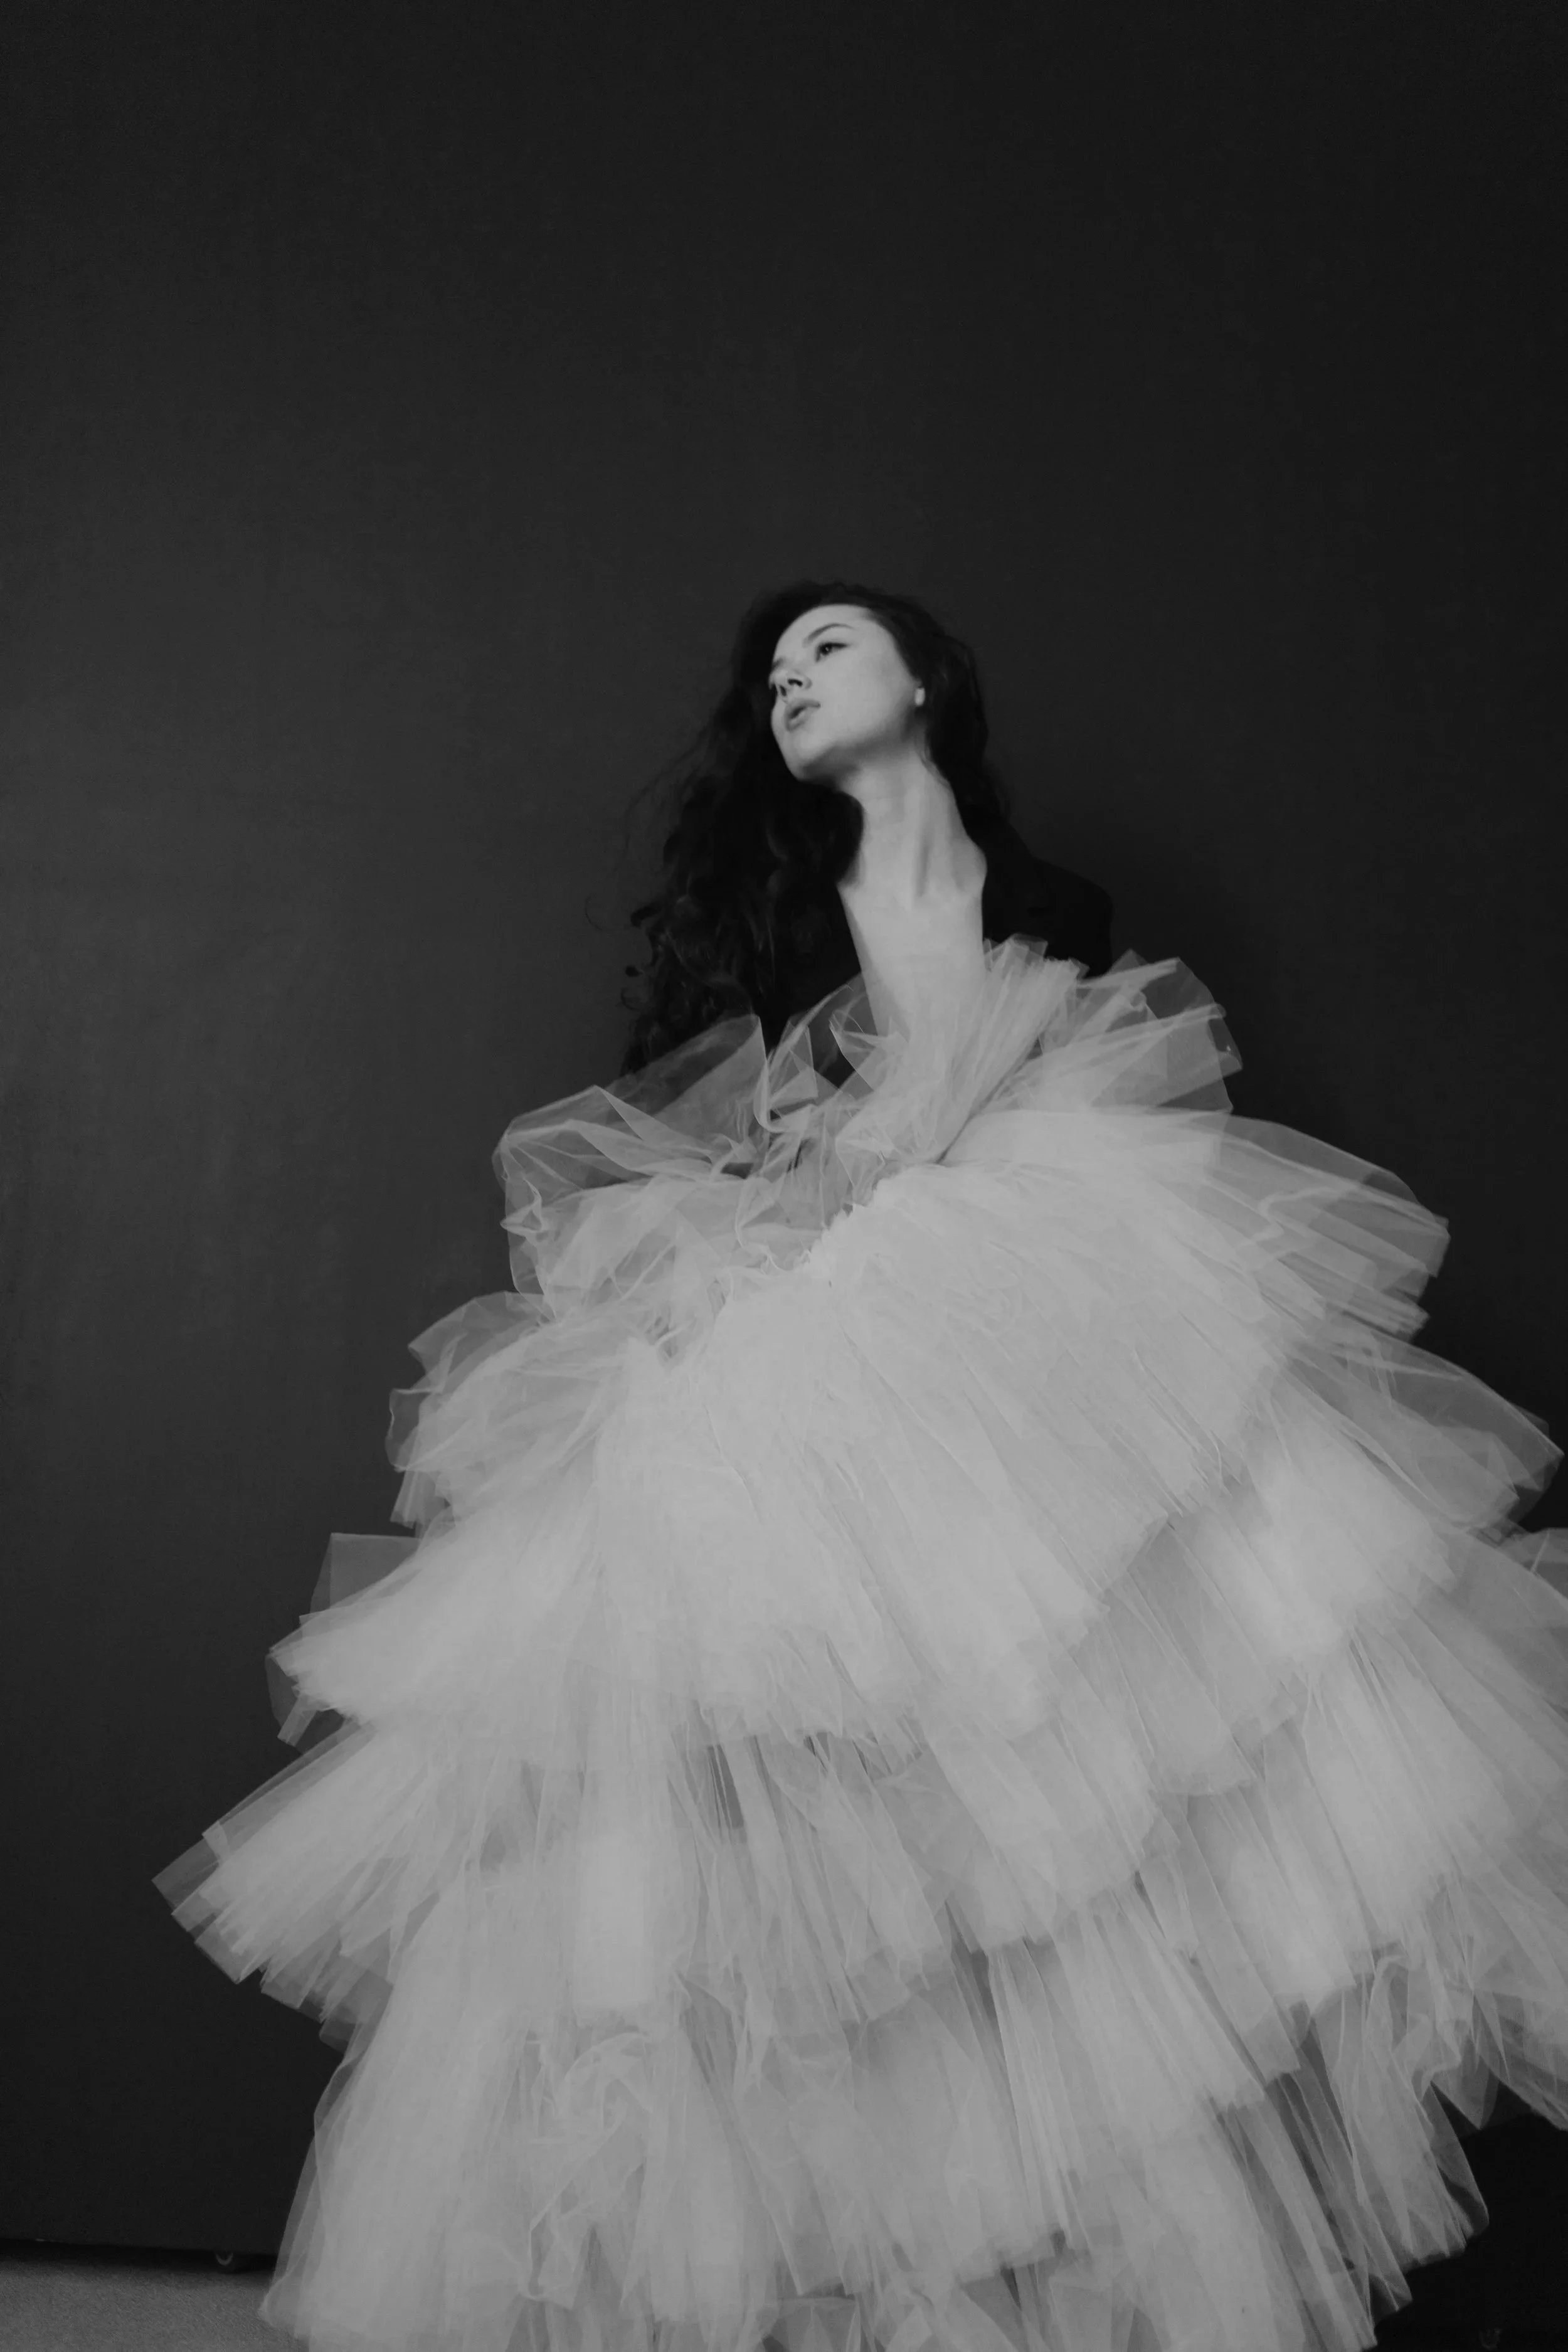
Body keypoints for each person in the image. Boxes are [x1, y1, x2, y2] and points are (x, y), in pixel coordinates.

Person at [157, 579, 1568, 2352]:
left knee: (1061, 1773)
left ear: (925, 680)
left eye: (826, 648)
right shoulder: (763, 916)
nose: (790, 681)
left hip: (1023, 1349)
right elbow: (707, 1156)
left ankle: (1033, 2271)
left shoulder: (1057, 911)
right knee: (800, 1825)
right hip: (810, 1351)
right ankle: (824, 2276)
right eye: (773, 671)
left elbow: (1102, 1114)